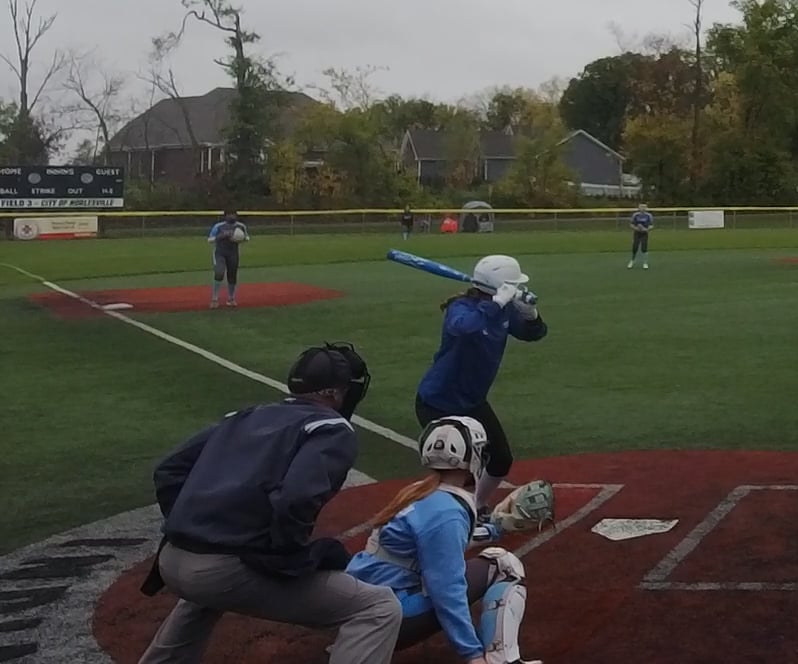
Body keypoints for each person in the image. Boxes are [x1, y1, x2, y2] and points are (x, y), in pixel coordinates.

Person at [136, 344, 399, 664]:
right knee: (378, 607)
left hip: (171, 559)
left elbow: (169, 471)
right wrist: (284, 552)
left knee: (208, 592)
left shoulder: (244, 415)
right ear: (335, 392)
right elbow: (297, 498)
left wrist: (194, 525)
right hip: (219, 574)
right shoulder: (331, 428)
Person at [348, 416, 542, 664]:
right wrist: (472, 653)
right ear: (472, 456)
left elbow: (436, 543)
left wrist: (495, 528)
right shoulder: (447, 512)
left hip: (355, 609)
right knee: (504, 565)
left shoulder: (419, 491)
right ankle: (501, 661)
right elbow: (447, 589)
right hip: (387, 617)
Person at [416, 256, 549, 513]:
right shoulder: (461, 308)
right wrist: (496, 303)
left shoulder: (504, 310)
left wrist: (531, 315)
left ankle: (476, 507)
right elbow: (465, 327)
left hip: (472, 401)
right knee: (455, 467)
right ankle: (432, 513)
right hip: (439, 401)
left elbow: (533, 334)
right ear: (501, 286)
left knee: (500, 459)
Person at [207, 209, 248, 309]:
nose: (232, 216)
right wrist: (221, 236)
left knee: (232, 275)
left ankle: (231, 298)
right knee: (219, 272)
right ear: (225, 216)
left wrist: (239, 238)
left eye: (234, 214)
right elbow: (210, 239)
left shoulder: (241, 226)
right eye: (230, 214)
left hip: (233, 253)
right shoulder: (218, 226)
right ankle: (214, 299)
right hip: (220, 253)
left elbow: (246, 238)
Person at [627, 204, 654, 270]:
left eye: (644, 207)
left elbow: (651, 225)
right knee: (635, 247)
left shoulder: (649, 215)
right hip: (637, 233)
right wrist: (636, 228)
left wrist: (646, 229)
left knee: (644, 248)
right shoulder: (635, 215)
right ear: (639, 208)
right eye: (641, 207)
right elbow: (631, 224)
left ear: (646, 208)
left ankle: (645, 263)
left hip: (644, 233)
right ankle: (632, 261)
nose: (643, 208)